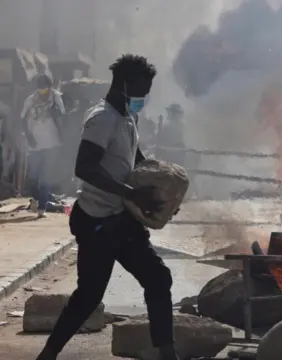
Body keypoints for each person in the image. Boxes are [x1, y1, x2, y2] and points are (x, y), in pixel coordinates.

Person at [35, 54, 178, 360]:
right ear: (124, 85)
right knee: (88, 297)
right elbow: (85, 167)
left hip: (123, 219)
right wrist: (131, 193)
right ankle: (48, 354)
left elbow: (134, 158)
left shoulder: (128, 117)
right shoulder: (102, 118)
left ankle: (167, 353)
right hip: (97, 220)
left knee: (158, 278)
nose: (143, 98)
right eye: (141, 91)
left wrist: (163, 192)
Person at [20, 74, 66, 217]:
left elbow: (63, 117)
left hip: (52, 144)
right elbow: (22, 119)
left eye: (45, 88)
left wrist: (56, 115)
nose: (43, 91)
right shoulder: (30, 100)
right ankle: (37, 200)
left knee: (46, 177)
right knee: (33, 178)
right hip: (34, 145)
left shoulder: (56, 98)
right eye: (40, 88)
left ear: (50, 87)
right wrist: (28, 136)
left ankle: (41, 209)